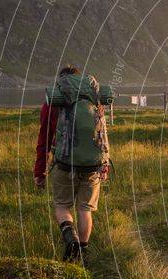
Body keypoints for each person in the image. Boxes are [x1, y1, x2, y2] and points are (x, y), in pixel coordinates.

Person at [34, 65, 112, 262]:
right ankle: (81, 255)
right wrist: (105, 164)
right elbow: (102, 133)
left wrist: (40, 171)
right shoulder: (94, 99)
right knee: (84, 209)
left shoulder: (54, 101)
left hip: (64, 164)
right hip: (93, 165)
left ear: (61, 82)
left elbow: (45, 138)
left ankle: (71, 240)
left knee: (62, 206)